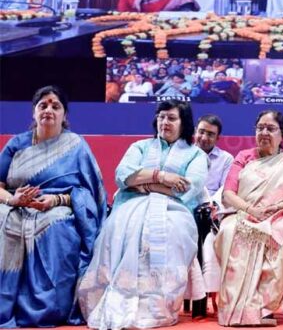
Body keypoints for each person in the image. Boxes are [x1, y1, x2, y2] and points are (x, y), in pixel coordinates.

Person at [78, 100, 207, 329]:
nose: (164, 122)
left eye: (171, 118)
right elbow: (123, 175)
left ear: (184, 123)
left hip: (174, 210)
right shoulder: (140, 147)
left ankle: (156, 306)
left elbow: (188, 188)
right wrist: (162, 177)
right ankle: (119, 296)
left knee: (168, 231)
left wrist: (142, 184)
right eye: (161, 117)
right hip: (130, 205)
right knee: (125, 226)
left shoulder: (195, 155)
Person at [0, 86, 107, 327]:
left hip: (58, 207)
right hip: (14, 206)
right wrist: (12, 200)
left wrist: (56, 200)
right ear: (34, 112)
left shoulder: (76, 146)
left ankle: (49, 307)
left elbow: (89, 194)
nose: (48, 110)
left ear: (64, 115)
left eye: (55, 106)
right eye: (43, 105)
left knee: (57, 226)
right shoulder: (17, 144)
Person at [215, 110, 283, 326]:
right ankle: (234, 307)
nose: (264, 132)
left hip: (278, 215)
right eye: (260, 128)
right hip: (243, 213)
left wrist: (279, 206)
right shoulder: (244, 157)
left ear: (282, 135)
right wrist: (250, 210)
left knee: (281, 239)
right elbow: (228, 194)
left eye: (270, 129)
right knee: (230, 231)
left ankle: (261, 308)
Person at [195, 115, 234, 196]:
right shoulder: (183, 153)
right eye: (201, 132)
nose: (204, 138)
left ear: (217, 138)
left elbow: (225, 191)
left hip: (212, 201)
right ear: (195, 131)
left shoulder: (226, 159)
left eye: (210, 134)